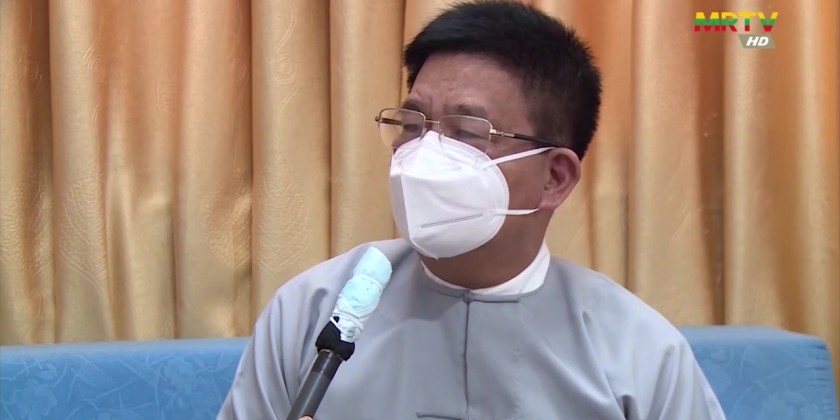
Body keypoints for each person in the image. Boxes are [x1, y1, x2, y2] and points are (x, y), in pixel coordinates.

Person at [218, 1, 727, 419]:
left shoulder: (639, 353)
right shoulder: (312, 313)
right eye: (413, 125)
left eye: (466, 132)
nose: (424, 154)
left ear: (554, 177)